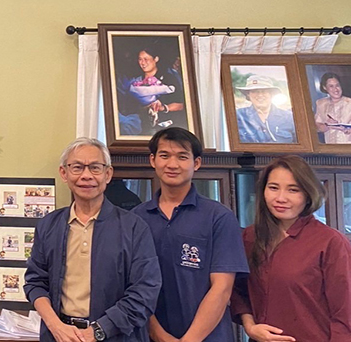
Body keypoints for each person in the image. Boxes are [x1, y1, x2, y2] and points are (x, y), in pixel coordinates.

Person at [24, 137, 161, 342]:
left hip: (117, 336)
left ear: (108, 174)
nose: (86, 176)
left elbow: (145, 292)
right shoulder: (48, 225)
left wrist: (97, 331)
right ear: (64, 173)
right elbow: (35, 282)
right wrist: (55, 326)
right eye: (77, 167)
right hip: (60, 336)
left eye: (95, 168)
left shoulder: (134, 227)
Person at [133, 128, 248, 342]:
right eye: (164, 155)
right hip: (150, 336)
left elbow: (222, 289)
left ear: (196, 163)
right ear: (153, 160)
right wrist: (157, 334)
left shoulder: (219, 217)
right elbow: (132, 288)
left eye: (182, 156)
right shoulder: (136, 219)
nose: (172, 164)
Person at [231, 155, 351, 341]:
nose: (280, 198)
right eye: (273, 188)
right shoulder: (249, 237)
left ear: (308, 193)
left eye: (293, 190)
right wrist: (250, 327)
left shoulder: (330, 242)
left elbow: (345, 315)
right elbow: (238, 291)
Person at [118, 45, 186, 136]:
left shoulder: (168, 79)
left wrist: (163, 107)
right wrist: (144, 109)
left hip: (166, 129)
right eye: (140, 59)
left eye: (146, 59)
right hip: (141, 129)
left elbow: (182, 105)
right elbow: (128, 108)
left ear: (156, 59)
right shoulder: (135, 82)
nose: (143, 63)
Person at [234, 75, 295, 144]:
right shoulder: (237, 116)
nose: (260, 95)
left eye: (264, 91)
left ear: (271, 94)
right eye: (255, 91)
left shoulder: (289, 117)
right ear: (248, 94)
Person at [314, 71, 351, 144]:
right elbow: (317, 125)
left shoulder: (349, 103)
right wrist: (327, 125)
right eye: (331, 86)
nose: (336, 89)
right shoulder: (321, 103)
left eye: (337, 85)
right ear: (325, 87)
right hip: (330, 147)